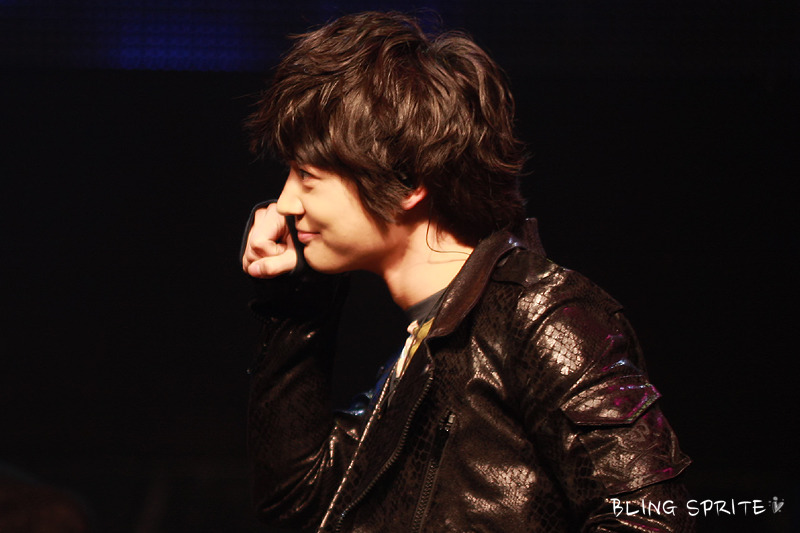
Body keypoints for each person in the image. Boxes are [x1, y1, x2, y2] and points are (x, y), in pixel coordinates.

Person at [240, 11, 693, 532]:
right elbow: (298, 502)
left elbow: (655, 519)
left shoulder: (541, 315)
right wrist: (296, 301)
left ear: (408, 182)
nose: (285, 202)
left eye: (307, 175)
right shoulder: (428, 346)